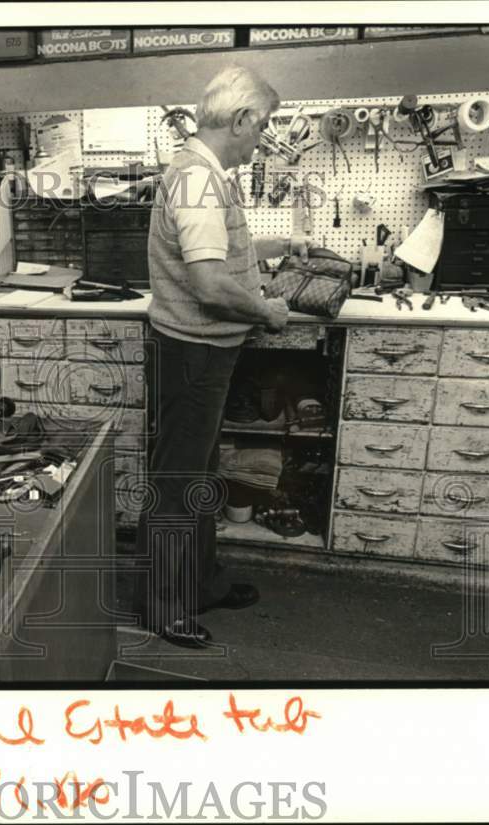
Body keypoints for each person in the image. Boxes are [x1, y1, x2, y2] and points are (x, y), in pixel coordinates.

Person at [137, 66, 311, 648]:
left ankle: (202, 581)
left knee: (199, 475)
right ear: (240, 119)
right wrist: (267, 311)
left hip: (202, 353)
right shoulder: (196, 180)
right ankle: (162, 607)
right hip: (192, 354)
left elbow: (218, 249)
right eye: (260, 126)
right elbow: (210, 284)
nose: (261, 137)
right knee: (177, 482)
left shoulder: (204, 173)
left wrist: (274, 246)